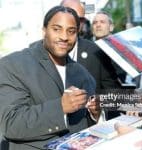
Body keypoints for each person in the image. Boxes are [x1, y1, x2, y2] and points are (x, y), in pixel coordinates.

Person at [0, 6, 101, 150]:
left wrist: (94, 114)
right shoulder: (13, 65)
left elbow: (84, 130)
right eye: (57, 29)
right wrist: (60, 108)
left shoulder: (83, 74)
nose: (64, 37)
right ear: (44, 31)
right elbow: (11, 124)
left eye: (71, 31)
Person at [92, 11, 127, 84]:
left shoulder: (121, 49)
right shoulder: (87, 47)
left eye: (102, 22)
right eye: (95, 22)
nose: (98, 25)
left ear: (111, 27)